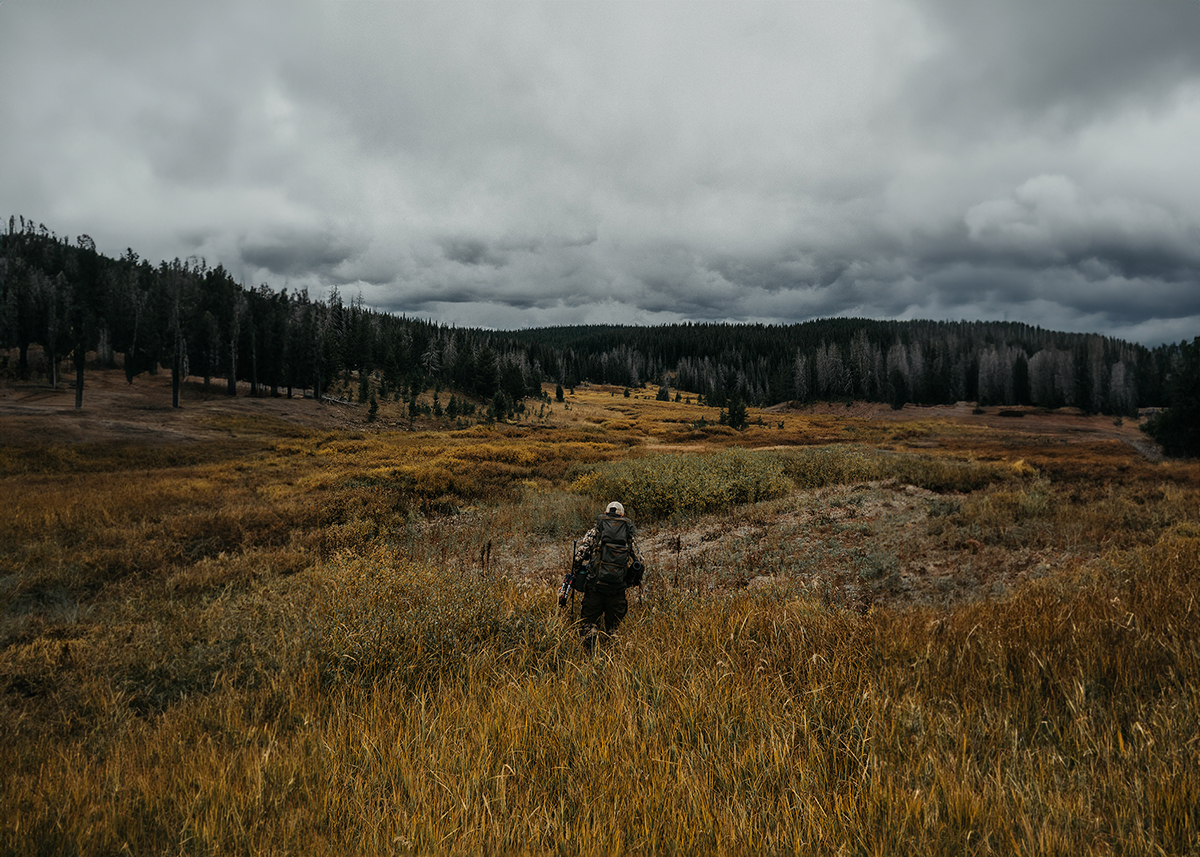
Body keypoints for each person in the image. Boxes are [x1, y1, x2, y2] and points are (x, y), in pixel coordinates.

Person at [572, 501, 644, 650]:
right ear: (622, 515)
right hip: (617, 589)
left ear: (605, 514)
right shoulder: (627, 535)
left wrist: (577, 573)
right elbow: (640, 561)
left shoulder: (596, 531)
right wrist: (633, 579)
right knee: (614, 630)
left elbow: (579, 556)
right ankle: (614, 662)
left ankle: (590, 660)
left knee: (589, 626)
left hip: (594, 587)